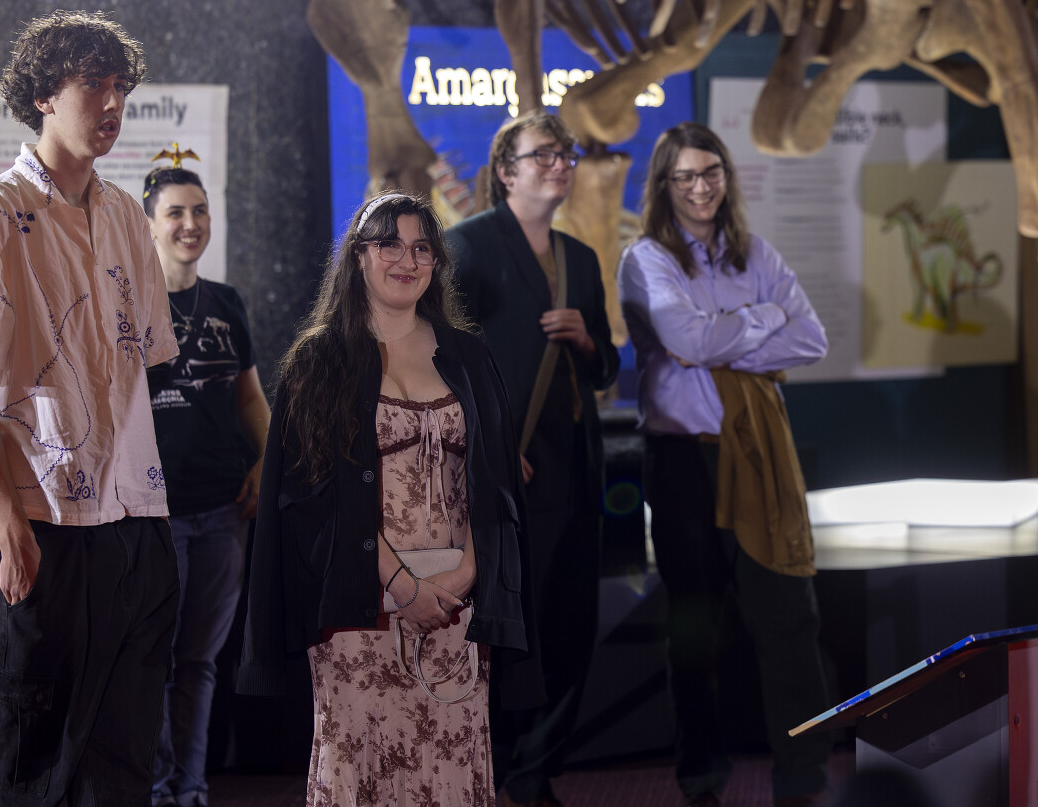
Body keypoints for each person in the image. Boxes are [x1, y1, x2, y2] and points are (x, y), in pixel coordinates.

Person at [0, 10, 180, 807]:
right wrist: (7, 524)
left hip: (130, 516)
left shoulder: (127, 216)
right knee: (23, 744)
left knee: (121, 746)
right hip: (35, 514)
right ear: (43, 94)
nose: (111, 103)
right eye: (92, 84)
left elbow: (143, 362)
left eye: (120, 87)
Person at [238, 191, 542, 807]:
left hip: (458, 606)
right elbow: (314, 498)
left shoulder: (470, 356)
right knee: (364, 768)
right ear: (358, 256)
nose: (407, 260)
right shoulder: (319, 359)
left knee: (449, 768)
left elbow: (498, 487)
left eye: (421, 248)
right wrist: (402, 588)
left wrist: (464, 576)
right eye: (389, 245)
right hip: (361, 606)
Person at [616, 122, 833, 807]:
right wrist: (763, 318)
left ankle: (803, 782)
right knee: (695, 632)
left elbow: (813, 338)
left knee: (790, 622)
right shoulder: (645, 259)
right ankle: (702, 782)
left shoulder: (757, 253)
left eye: (710, 172)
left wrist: (722, 340)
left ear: (726, 178)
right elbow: (684, 337)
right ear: (664, 185)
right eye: (684, 176)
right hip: (682, 462)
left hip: (758, 458)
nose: (700, 187)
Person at [445, 111, 618, 807]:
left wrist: (586, 341)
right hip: (511, 473)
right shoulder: (467, 246)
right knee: (510, 629)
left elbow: (605, 369)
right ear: (505, 171)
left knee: (573, 624)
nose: (560, 163)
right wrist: (485, 448)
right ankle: (490, 770)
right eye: (543, 153)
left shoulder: (581, 258)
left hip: (577, 468)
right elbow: (442, 362)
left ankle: (534, 774)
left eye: (565, 153)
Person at [142, 165, 271, 807]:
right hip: (154, 515)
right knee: (153, 662)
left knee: (199, 663)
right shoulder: (126, 305)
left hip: (225, 512)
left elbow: (249, 397)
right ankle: (157, 789)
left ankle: (188, 790)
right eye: (175, 212)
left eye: (199, 211)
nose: (190, 224)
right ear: (149, 225)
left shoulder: (226, 302)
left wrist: (267, 460)